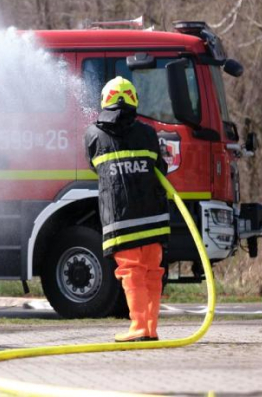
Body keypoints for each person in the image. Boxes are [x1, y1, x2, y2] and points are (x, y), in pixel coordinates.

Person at [84, 76, 170, 342]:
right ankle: (150, 328)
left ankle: (139, 327)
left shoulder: (93, 135)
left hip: (121, 219)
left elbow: (94, 167)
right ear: (134, 100)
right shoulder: (147, 133)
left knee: (131, 272)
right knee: (152, 272)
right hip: (153, 218)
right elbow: (161, 169)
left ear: (105, 101)